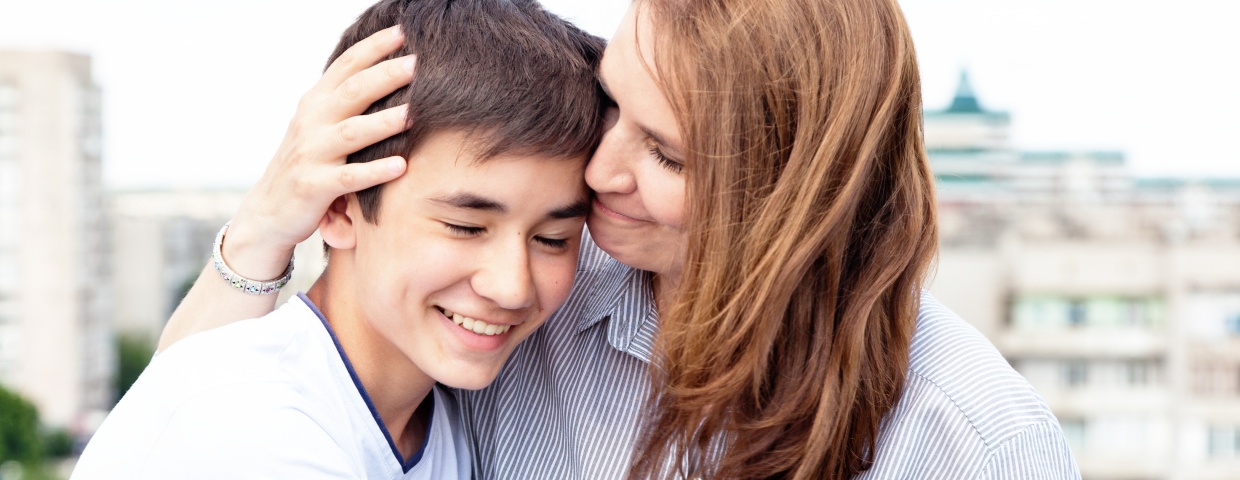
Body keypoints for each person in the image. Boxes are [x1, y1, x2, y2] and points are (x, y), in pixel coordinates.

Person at [159, 0, 1081, 478]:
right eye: (615, 106)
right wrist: (262, 233)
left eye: (666, 156)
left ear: (788, 198)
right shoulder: (532, 286)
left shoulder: (965, 435)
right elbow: (190, 424)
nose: (599, 175)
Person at [72, 1, 604, 478]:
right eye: (465, 227)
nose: (512, 287)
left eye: (554, 238)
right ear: (337, 208)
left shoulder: (434, 411)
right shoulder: (252, 434)